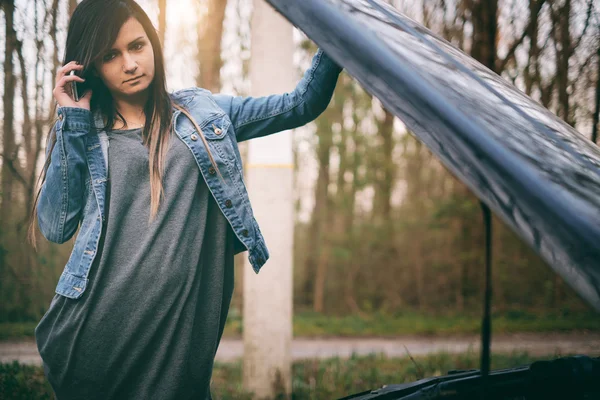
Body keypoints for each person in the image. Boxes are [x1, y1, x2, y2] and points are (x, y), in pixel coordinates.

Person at [27, 0, 342, 399]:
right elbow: (55, 227)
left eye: (137, 46)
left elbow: (300, 104)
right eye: (111, 55)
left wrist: (342, 32)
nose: (129, 63)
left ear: (153, 45)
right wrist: (72, 119)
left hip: (179, 339)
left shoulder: (202, 114)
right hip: (97, 335)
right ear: (89, 66)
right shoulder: (81, 130)